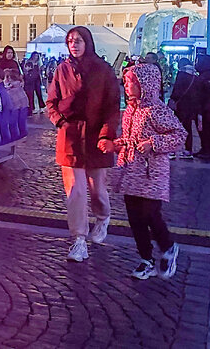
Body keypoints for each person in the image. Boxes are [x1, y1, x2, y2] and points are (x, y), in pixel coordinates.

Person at [101, 63, 185, 280]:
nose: (126, 85)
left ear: (145, 85)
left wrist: (153, 142)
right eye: (126, 81)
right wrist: (115, 145)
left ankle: (168, 246)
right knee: (135, 218)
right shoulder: (130, 110)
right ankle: (146, 259)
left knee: (150, 214)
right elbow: (130, 140)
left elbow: (179, 135)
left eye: (131, 82)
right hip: (130, 171)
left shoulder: (156, 110)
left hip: (151, 173)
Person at [45, 26, 120, 263]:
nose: (73, 45)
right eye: (70, 41)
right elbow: (51, 101)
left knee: (97, 188)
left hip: (97, 136)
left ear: (87, 42)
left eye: (78, 41)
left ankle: (103, 216)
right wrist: (59, 121)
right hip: (71, 135)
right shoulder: (62, 69)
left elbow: (112, 106)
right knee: (75, 191)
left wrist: (107, 135)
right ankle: (78, 239)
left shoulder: (103, 70)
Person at [167, 59, 198, 160]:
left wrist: (172, 100)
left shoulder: (181, 74)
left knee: (175, 128)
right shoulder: (194, 75)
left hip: (180, 106)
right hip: (190, 106)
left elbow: (177, 90)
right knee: (187, 128)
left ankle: (172, 151)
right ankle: (188, 151)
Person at [191, 55, 210, 160]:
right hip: (202, 108)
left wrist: (200, 107)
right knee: (202, 129)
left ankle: (208, 151)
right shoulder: (205, 75)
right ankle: (205, 149)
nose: (196, 64)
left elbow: (205, 94)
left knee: (206, 129)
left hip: (204, 109)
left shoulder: (206, 77)